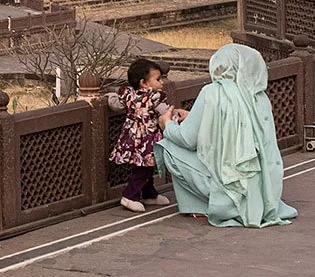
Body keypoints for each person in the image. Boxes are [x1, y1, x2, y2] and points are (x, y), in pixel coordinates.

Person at [155, 43, 296, 228]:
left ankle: (212, 205)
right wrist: (194, 116)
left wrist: (167, 124)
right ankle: (243, 203)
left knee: (168, 146)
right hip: (263, 186)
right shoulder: (259, 97)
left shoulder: (213, 92)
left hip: (227, 181)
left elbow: (188, 139)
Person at [107, 57, 174, 213]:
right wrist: (176, 117)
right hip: (147, 139)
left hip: (131, 138)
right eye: (158, 79)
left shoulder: (129, 95)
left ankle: (149, 193)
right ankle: (130, 195)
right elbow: (166, 113)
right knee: (143, 168)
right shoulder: (155, 98)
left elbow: (115, 104)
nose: (162, 83)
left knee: (145, 166)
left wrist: (108, 96)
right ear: (144, 83)